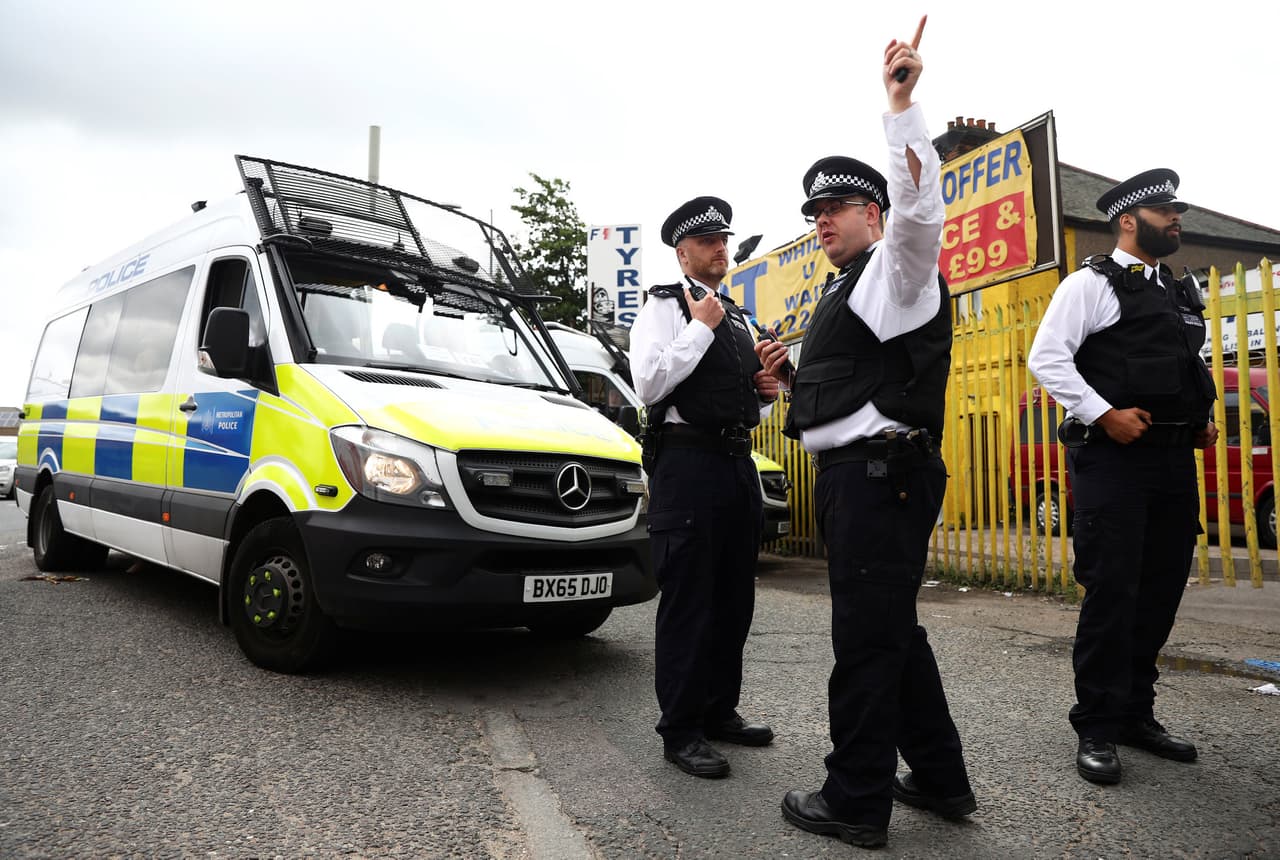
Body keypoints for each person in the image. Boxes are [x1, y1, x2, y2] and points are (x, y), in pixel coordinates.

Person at [755, 19, 975, 850]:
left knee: (867, 642)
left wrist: (901, 105)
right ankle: (943, 780)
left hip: (883, 480)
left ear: (872, 212)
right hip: (868, 479)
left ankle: (854, 802)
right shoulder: (849, 291)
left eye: (836, 206)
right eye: (813, 211)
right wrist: (784, 383)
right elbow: (850, 390)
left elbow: (921, 211)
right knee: (892, 633)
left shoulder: (897, 267)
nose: (821, 221)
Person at [1027, 168, 1218, 785]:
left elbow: (1191, 366)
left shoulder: (1180, 291)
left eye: (1177, 211)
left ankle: (1137, 713)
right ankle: (1099, 726)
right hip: (1114, 461)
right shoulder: (1090, 285)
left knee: (1160, 588)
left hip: (1170, 460)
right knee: (1113, 593)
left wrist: (1203, 418)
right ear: (1130, 221)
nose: (1178, 220)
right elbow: (1046, 358)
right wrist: (1103, 414)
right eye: (1167, 211)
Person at [630, 195, 780, 779]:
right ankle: (682, 728)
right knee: (690, 599)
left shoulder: (738, 315)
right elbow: (648, 383)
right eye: (708, 241)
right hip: (688, 467)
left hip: (735, 464)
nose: (721, 248)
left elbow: (740, 398)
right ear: (682, 253)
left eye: (724, 239)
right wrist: (698, 329)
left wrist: (763, 395)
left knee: (732, 599)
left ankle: (719, 711)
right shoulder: (668, 307)